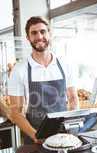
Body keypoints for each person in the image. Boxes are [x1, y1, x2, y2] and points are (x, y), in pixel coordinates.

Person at [8, 16, 79, 144]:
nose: (39, 37)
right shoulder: (19, 70)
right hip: (35, 137)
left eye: (43, 31)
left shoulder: (65, 65)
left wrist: (72, 128)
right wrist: (36, 136)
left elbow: (73, 99)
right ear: (28, 38)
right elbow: (16, 112)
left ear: (49, 34)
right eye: (34, 33)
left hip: (64, 136)